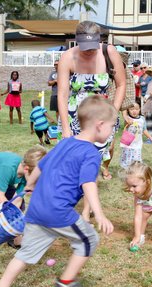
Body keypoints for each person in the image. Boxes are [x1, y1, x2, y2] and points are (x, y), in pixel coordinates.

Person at [0, 95, 116, 287]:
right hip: (58, 212)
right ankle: (66, 283)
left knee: (26, 253)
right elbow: (88, 184)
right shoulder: (92, 153)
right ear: (99, 125)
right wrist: (99, 214)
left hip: (37, 209)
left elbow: (41, 166)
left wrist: (30, 184)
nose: (112, 132)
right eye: (112, 127)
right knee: (89, 239)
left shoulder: (65, 143)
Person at [57, 20, 125, 179]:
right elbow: (62, 94)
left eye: (92, 46)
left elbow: (121, 85)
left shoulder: (109, 52)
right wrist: (66, 127)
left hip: (101, 115)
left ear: (99, 40)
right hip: (74, 116)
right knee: (72, 159)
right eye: (84, 46)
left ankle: (89, 191)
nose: (88, 51)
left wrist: (113, 113)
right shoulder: (67, 57)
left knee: (94, 157)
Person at [120, 103, 152, 170]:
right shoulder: (128, 118)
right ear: (128, 110)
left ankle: (135, 170)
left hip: (137, 144)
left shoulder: (142, 119)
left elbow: (144, 130)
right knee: (127, 158)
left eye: (136, 109)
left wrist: (150, 137)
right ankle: (126, 170)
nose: (134, 111)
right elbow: (125, 128)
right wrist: (127, 122)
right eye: (132, 109)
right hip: (128, 143)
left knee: (136, 158)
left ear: (139, 109)